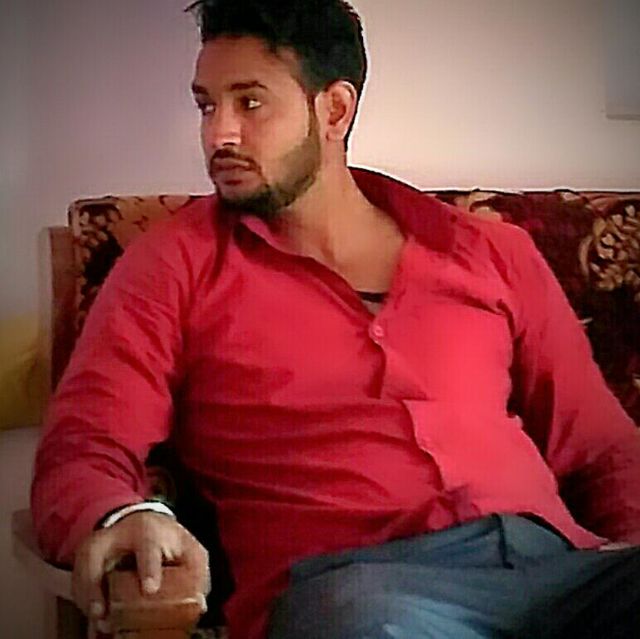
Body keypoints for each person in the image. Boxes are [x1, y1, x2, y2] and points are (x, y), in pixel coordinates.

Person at [31, 1, 640, 638]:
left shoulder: (490, 251)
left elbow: (601, 447)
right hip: (358, 593)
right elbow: (86, 445)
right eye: (207, 106)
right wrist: (121, 517)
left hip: (555, 572)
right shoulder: (172, 266)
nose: (219, 135)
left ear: (334, 110)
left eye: (250, 103)